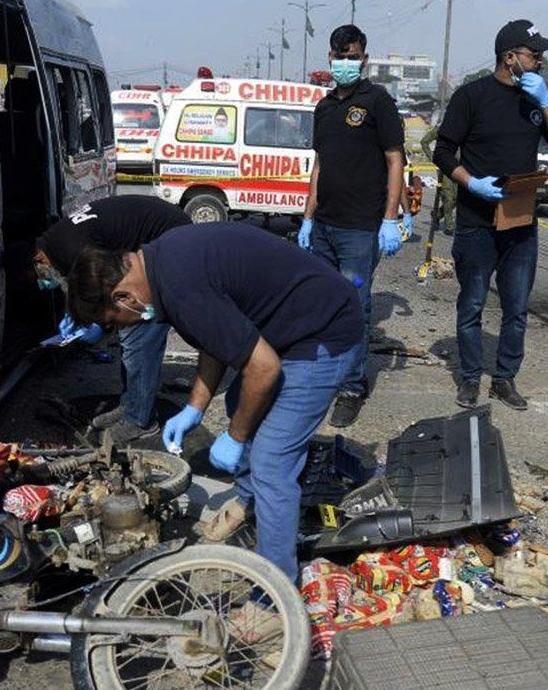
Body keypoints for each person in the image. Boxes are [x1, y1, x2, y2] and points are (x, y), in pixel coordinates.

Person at [66, 222, 364, 580]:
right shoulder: (162, 260)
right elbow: (216, 337)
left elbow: (264, 367)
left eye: (114, 323)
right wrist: (196, 406)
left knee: (271, 461)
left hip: (324, 336)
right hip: (296, 324)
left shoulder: (181, 290)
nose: (124, 328)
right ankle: (249, 502)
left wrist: (237, 436)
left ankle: (274, 594)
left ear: (123, 297)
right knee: (241, 398)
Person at [432, 19, 548, 410]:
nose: (542, 62)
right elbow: (442, 152)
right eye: (535, 55)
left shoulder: (536, 98)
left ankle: (505, 379)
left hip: (520, 224)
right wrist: (472, 182)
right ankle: (470, 377)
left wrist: (546, 101)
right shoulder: (471, 96)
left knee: (516, 309)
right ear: (510, 57)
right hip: (477, 221)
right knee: (473, 304)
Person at [299, 24, 406, 428]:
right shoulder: (324, 107)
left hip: (361, 230)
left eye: (353, 56)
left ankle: (351, 386)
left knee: (355, 308)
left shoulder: (377, 101)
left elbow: (395, 159)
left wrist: (391, 218)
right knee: (322, 306)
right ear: (330, 59)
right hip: (324, 226)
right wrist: (308, 218)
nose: (345, 63)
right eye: (339, 56)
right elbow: (320, 165)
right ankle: (325, 377)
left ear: (363, 59)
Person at [33, 195, 190, 441]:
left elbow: (109, 289)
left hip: (172, 241)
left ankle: (140, 420)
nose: (44, 282)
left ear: (38, 260)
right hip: (158, 236)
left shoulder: (73, 250)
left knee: (138, 334)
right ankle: (131, 406)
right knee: (130, 336)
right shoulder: (57, 241)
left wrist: (97, 325)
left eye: (38, 278)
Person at [420, 124, 457, 235]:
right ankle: (449, 226)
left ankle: (437, 215)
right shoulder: (442, 128)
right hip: (445, 169)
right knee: (448, 197)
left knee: (457, 198)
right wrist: (434, 158)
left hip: (461, 169)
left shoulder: (464, 128)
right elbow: (424, 142)